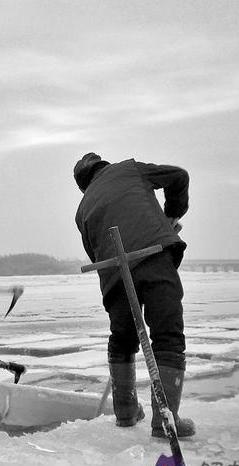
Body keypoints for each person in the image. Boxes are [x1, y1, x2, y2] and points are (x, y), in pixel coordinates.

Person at [73, 152, 195, 438]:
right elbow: (179, 176)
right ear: (102, 167)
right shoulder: (129, 170)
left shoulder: (82, 209)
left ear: (83, 185)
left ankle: (125, 413)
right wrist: (171, 216)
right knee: (167, 335)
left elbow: (94, 251)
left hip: (113, 271)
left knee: (122, 340)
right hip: (152, 255)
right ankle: (166, 419)